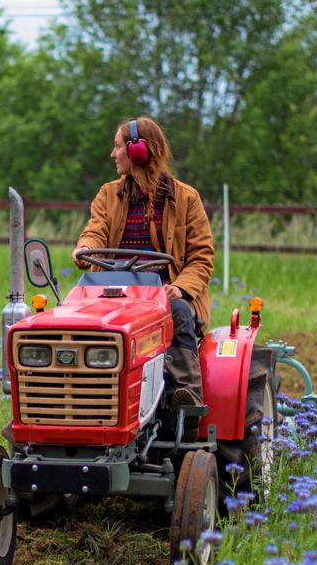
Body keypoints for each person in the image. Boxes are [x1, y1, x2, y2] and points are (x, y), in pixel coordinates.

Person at [72, 116, 214, 429]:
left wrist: (180, 288)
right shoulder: (108, 194)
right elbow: (96, 230)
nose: (113, 154)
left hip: (164, 292)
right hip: (112, 292)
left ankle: (187, 396)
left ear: (138, 151)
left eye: (118, 147)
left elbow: (202, 257)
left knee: (177, 312)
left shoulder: (187, 199)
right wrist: (84, 248)